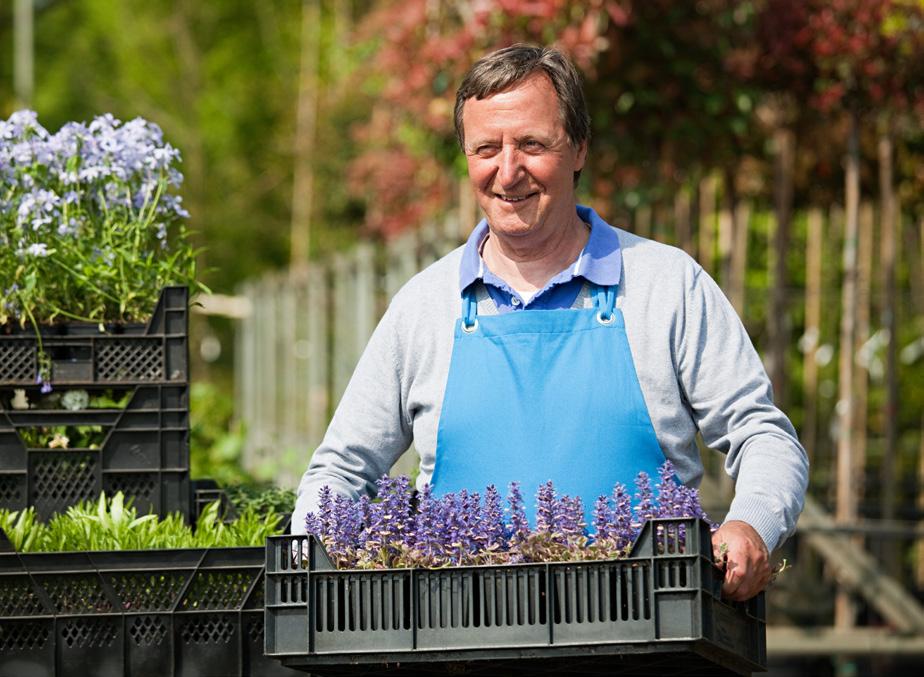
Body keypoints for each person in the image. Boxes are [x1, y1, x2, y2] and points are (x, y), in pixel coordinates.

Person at [294, 44, 808, 602]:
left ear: (580, 149)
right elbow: (339, 472)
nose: (507, 171)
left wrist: (750, 525)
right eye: (486, 148)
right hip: (458, 637)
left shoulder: (666, 285)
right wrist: (320, 554)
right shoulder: (423, 306)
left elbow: (763, 435)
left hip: (648, 629)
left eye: (533, 145)